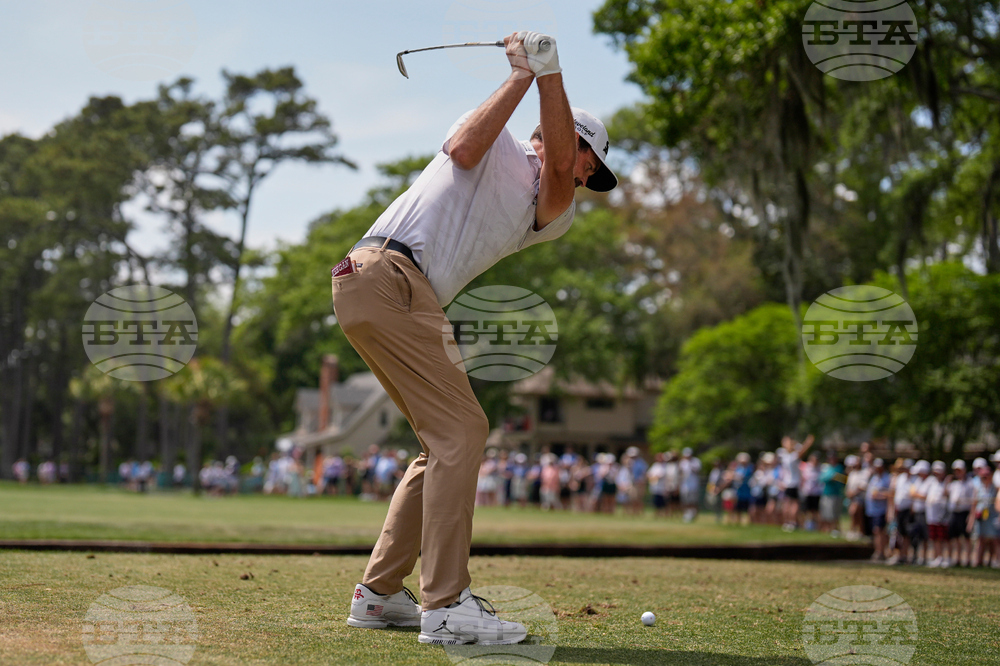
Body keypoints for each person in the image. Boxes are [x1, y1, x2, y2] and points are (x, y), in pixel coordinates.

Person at [339, 31, 617, 646]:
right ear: (569, 142)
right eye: (589, 159)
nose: (589, 175)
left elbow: (552, 190)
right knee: (462, 433)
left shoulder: (556, 208)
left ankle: (379, 596)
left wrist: (549, 74)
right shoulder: (493, 132)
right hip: (387, 275)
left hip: (388, 288)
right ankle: (445, 607)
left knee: (443, 440)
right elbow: (465, 149)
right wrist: (525, 75)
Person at [864, 459, 892, 561]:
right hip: (872, 509)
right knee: (875, 532)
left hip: (881, 509)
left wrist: (879, 495)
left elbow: (890, 493)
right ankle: (878, 550)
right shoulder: (874, 478)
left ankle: (881, 551)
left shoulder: (887, 478)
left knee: (880, 531)